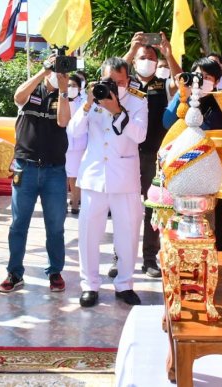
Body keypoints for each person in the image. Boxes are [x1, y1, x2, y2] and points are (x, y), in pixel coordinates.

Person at [69, 57, 148, 307]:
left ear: (128, 79)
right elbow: (73, 132)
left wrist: (116, 110)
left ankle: (124, 284)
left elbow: (139, 135)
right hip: (94, 177)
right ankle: (89, 285)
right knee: (89, 234)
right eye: (109, 81)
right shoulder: (90, 98)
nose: (114, 86)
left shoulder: (138, 101)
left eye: (120, 81)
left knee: (128, 233)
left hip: (124, 178)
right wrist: (88, 103)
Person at [0, 54, 71, 294]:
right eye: (54, 66)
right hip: (25, 166)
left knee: (56, 226)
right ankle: (14, 273)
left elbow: (63, 122)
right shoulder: (32, 91)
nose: (56, 70)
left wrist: (62, 89)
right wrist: (43, 71)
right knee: (19, 223)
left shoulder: (64, 94)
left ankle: (55, 272)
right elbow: (18, 96)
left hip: (54, 170)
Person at [122, 32, 181, 279]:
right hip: (125, 154)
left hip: (153, 155)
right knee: (124, 207)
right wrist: (131, 49)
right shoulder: (125, 83)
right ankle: (120, 257)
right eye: (142, 57)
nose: (147, 61)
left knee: (151, 208)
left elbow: (181, 82)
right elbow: (108, 75)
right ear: (134, 62)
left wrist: (168, 53)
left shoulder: (163, 84)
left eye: (151, 58)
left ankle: (149, 259)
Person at [163, 57, 222, 251]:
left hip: (207, 171)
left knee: (207, 220)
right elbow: (167, 121)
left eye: (207, 77)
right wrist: (182, 95)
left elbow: (214, 128)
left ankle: (211, 253)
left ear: (216, 82)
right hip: (181, 169)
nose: (201, 80)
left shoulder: (220, 103)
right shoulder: (184, 97)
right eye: (198, 76)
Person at [66, 74, 87, 215]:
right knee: (67, 175)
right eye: (68, 85)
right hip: (63, 142)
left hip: (80, 143)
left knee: (78, 174)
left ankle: (75, 203)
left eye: (74, 85)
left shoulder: (84, 101)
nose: (71, 88)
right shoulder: (60, 100)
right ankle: (67, 203)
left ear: (79, 88)